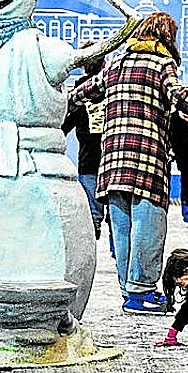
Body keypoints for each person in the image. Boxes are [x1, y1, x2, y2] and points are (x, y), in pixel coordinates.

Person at [72, 12, 188, 314]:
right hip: (146, 159)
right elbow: (180, 96)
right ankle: (144, 291)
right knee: (148, 228)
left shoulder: (118, 64)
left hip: (112, 161)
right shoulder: (162, 64)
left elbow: (85, 91)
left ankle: (131, 293)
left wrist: (65, 97)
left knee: (121, 230)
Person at [62, 51, 107, 240]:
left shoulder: (79, 92)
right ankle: (116, 249)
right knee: (116, 208)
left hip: (88, 158)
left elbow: (66, 122)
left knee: (92, 210)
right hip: (111, 156)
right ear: (104, 62)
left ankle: (93, 232)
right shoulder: (111, 87)